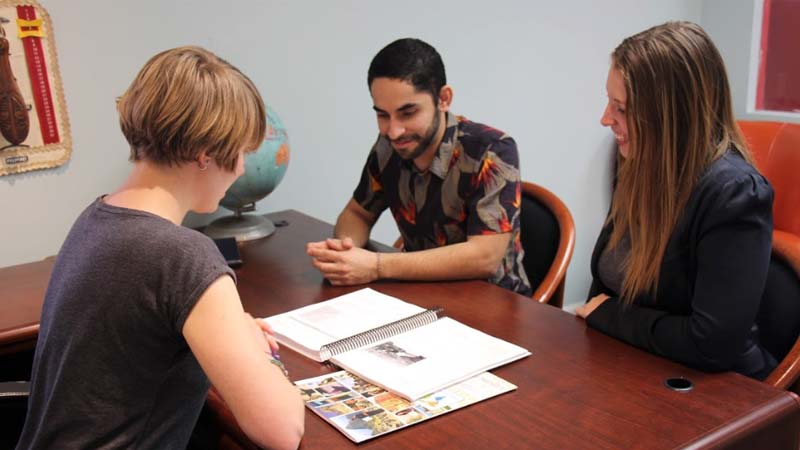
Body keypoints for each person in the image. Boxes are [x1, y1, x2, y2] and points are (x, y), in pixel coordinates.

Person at [16, 47, 304, 449]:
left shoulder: (96, 217)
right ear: (205, 153)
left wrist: (230, 328)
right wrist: (260, 352)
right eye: (240, 152)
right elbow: (282, 432)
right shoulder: (183, 255)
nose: (240, 169)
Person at [576, 22, 777, 379]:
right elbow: (606, 285)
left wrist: (606, 316)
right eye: (609, 102)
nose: (606, 119)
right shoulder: (637, 163)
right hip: (639, 364)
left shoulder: (734, 192)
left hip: (721, 393)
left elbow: (710, 344)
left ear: (670, 117)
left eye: (621, 108)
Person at [306, 38, 531, 296]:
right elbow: (358, 213)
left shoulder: (492, 149)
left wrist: (377, 266)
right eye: (382, 115)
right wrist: (345, 251)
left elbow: (485, 257)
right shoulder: (388, 146)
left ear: (443, 99)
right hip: (419, 294)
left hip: (492, 304)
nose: (393, 131)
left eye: (408, 113)